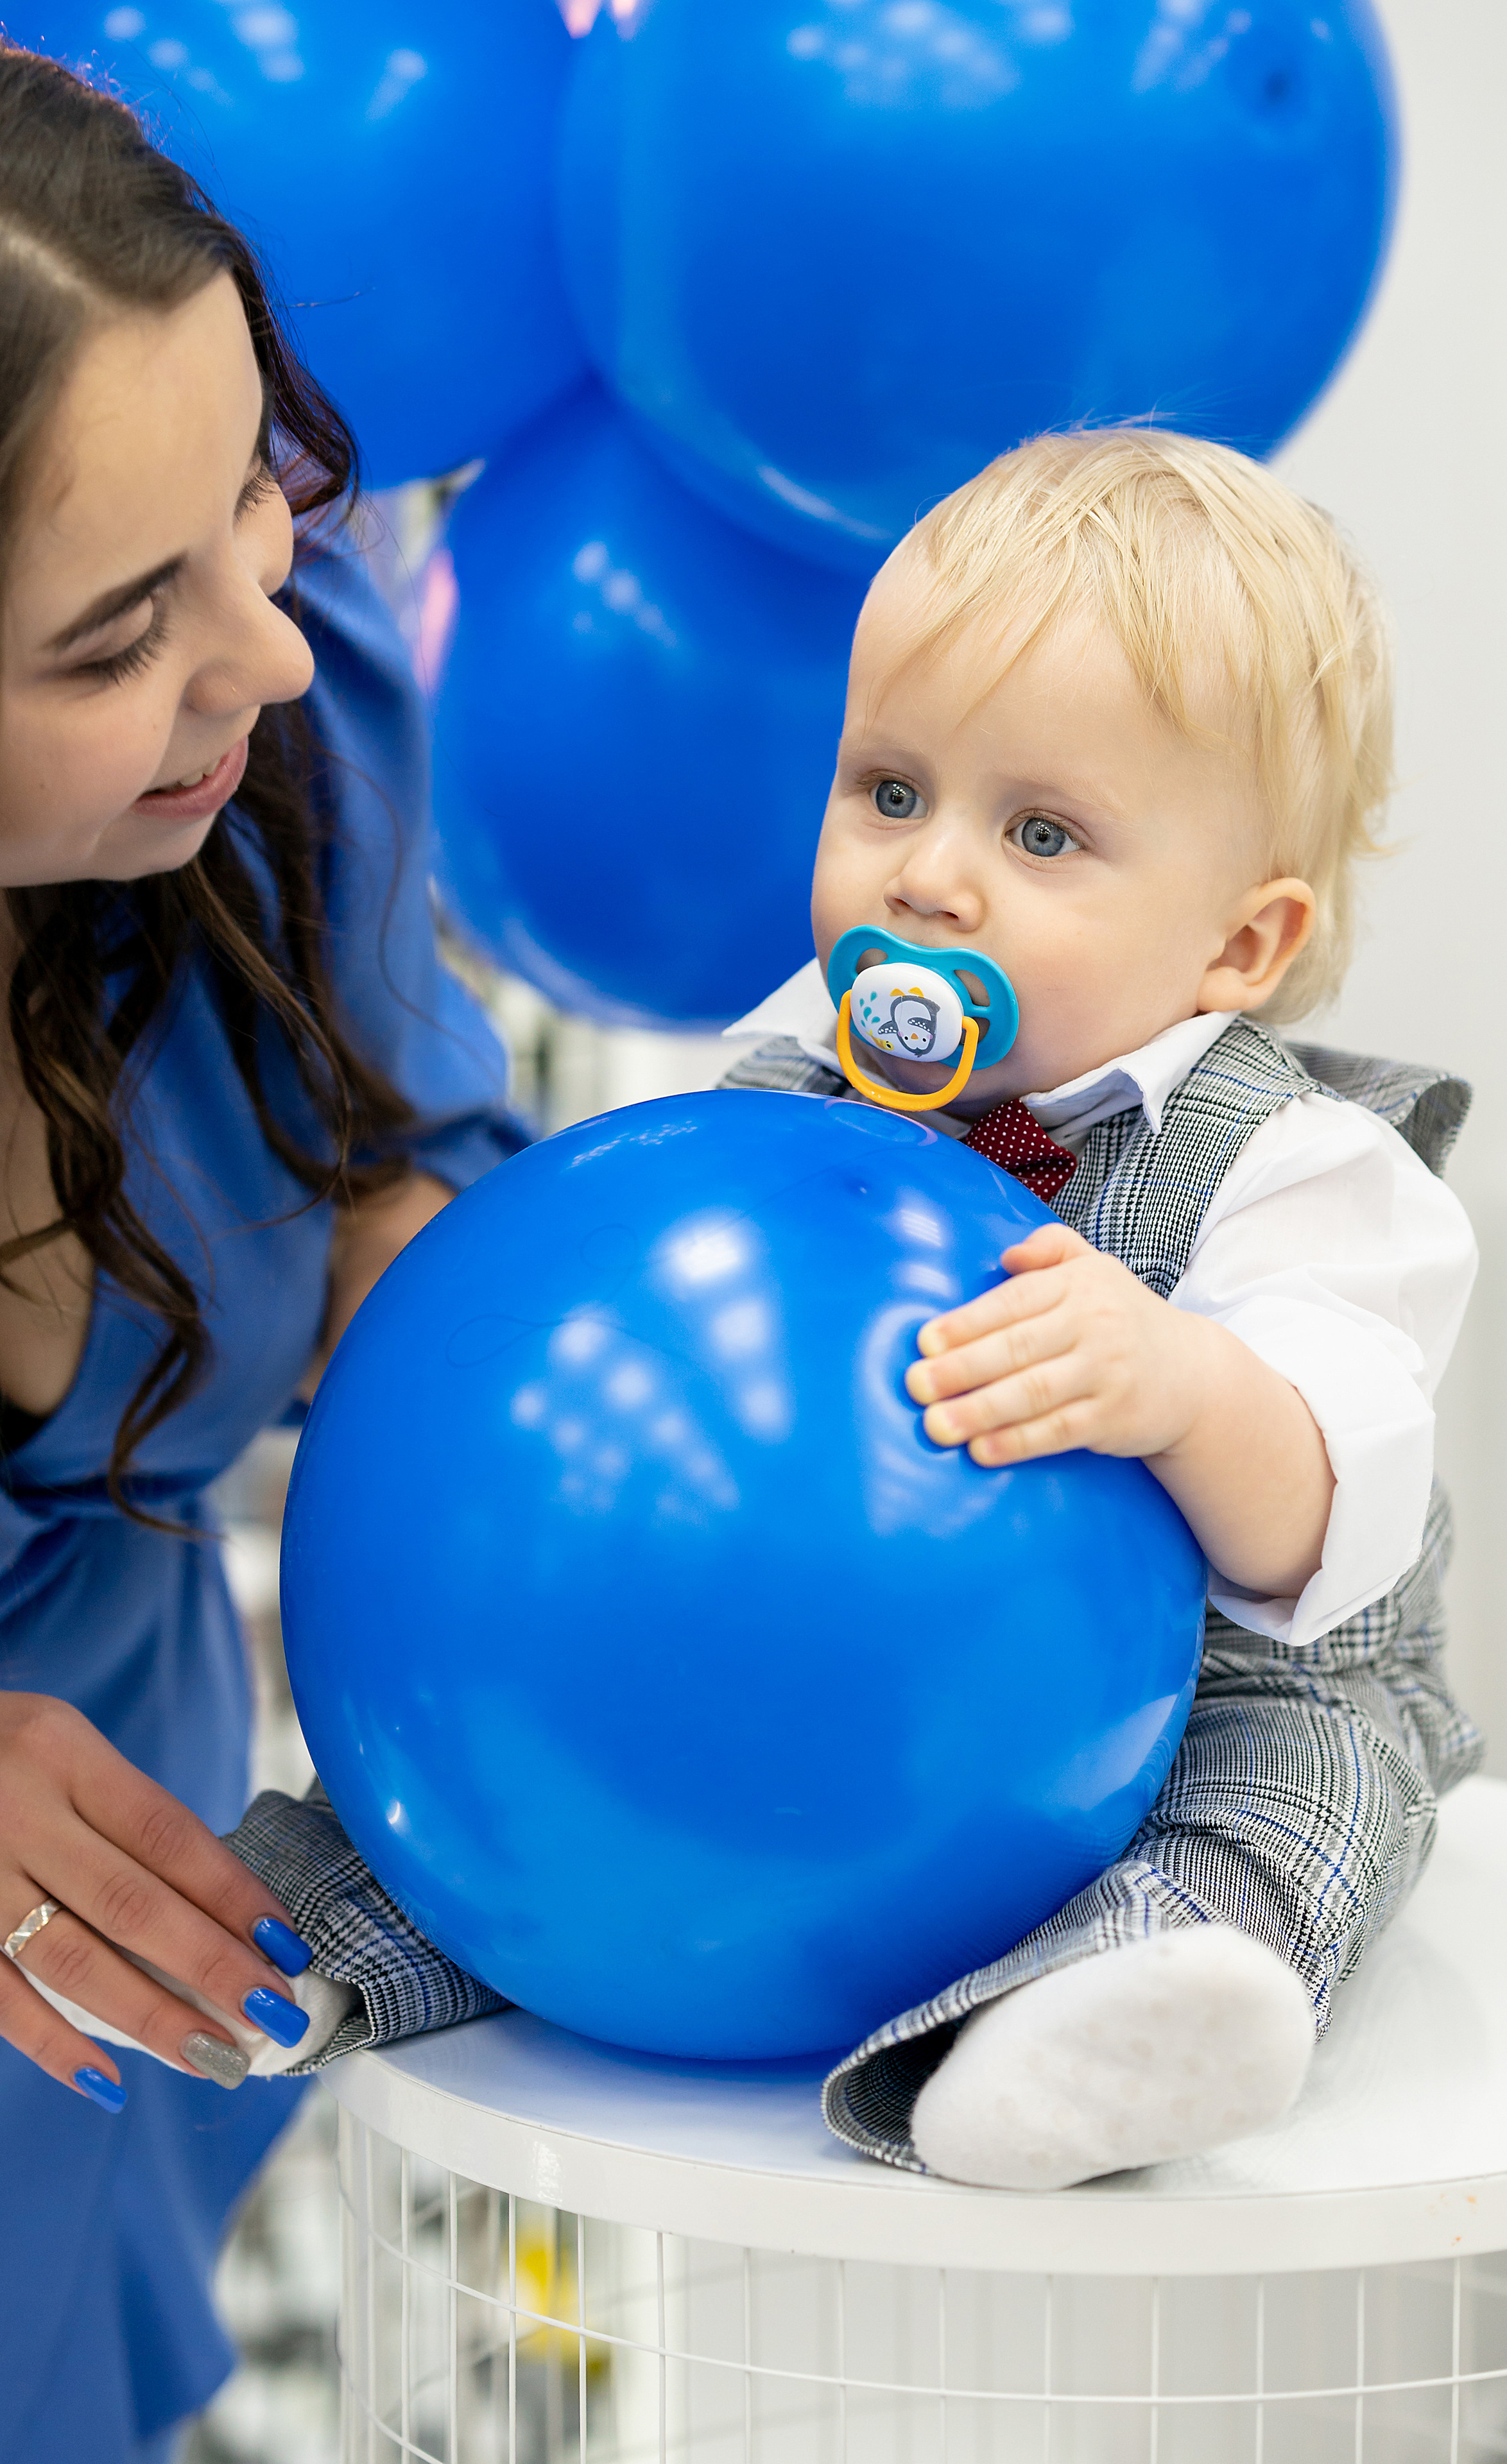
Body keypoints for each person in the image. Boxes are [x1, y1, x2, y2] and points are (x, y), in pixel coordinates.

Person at [719, 427, 1483, 2188]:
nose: (928, 877)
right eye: (891, 791)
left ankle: (1135, 2007)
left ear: (1240, 947)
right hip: (894, 1671)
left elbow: (1322, 1506)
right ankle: (348, 1934)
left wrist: (1181, 1385)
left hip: (1218, 1692)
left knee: (1315, 1798)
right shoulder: (800, 1066)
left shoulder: (1303, 1172)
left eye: (1042, 831)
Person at [0, 47, 526, 2460]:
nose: (269, 649)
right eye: (116, 637)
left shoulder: (293, 753)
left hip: (121, 1979)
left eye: (259, 501)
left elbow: (389, 1165)